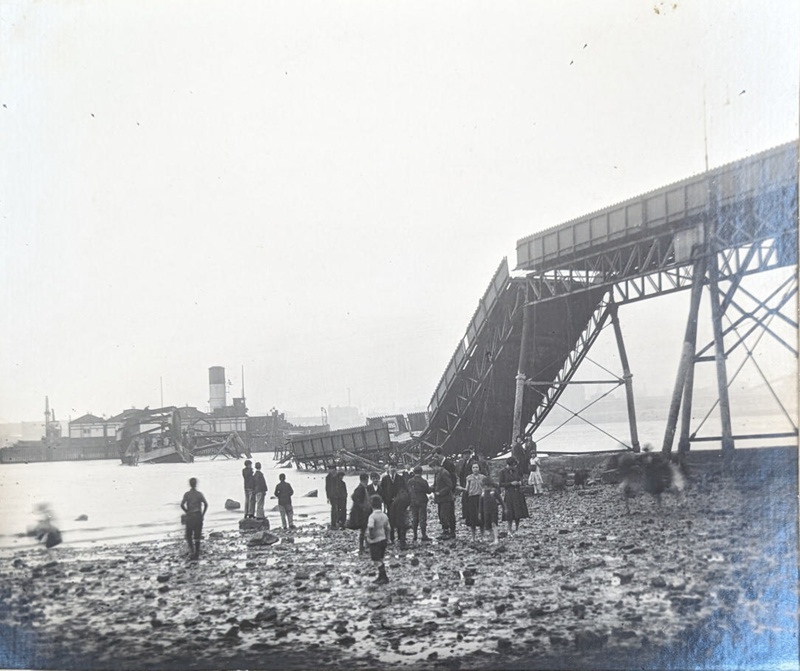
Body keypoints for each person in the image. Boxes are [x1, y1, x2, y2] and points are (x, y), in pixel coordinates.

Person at [499, 457, 529, 535]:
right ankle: (509, 529)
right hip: (509, 493)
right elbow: (500, 484)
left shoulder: (517, 470)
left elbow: (521, 480)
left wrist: (520, 483)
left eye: (514, 465)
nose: (514, 467)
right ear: (508, 465)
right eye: (512, 465)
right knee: (509, 512)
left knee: (518, 511)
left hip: (518, 493)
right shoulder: (503, 472)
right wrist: (510, 484)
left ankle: (517, 528)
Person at [181, 477, 208, 560]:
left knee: (189, 535)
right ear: (196, 484)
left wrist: (187, 512)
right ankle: (196, 552)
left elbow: (182, 505)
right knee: (197, 535)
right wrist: (202, 514)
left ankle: (192, 550)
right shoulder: (199, 494)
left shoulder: (187, 494)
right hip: (198, 515)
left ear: (189, 484)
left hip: (190, 516)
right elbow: (206, 504)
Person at [367, 494, 391, 584]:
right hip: (383, 539)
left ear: (371, 504)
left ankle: (383, 576)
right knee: (380, 558)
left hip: (375, 541)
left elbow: (370, 527)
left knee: (375, 559)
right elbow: (388, 528)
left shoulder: (372, 516)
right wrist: (388, 539)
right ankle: (381, 576)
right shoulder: (384, 516)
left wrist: (371, 535)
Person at [347, 473, 373, 553]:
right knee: (363, 529)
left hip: (364, 511)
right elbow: (354, 497)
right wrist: (362, 506)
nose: (366, 482)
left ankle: (364, 545)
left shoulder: (362, 488)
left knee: (364, 529)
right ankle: (363, 546)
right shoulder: (360, 489)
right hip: (362, 513)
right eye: (366, 480)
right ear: (364, 480)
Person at [430, 460, 456, 540]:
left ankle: (450, 532)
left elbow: (449, 485)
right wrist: (429, 488)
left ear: (437, 465)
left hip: (446, 498)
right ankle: (445, 531)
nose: (432, 469)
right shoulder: (437, 473)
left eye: (433, 467)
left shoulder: (444, 473)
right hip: (441, 499)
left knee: (446, 515)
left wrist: (440, 493)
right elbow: (436, 485)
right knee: (441, 515)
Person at [463, 462, 488, 541]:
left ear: (479, 468)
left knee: (482, 517)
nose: (475, 469)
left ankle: (482, 536)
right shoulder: (469, 478)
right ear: (471, 469)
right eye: (473, 468)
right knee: (473, 518)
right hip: (472, 498)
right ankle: (473, 537)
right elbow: (467, 489)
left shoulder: (483, 477)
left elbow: (486, 487)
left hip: (481, 498)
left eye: (476, 467)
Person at [406, 465, 432, 542]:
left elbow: (408, 491)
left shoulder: (409, 481)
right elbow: (428, 491)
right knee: (422, 518)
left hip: (413, 501)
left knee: (414, 518)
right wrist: (433, 488)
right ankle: (423, 535)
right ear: (421, 472)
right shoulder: (424, 481)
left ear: (413, 472)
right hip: (422, 501)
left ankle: (415, 535)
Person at [388, 473, 410, 548]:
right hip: (399, 510)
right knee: (402, 524)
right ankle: (402, 541)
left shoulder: (399, 496)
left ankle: (398, 540)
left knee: (397, 523)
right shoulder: (404, 494)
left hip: (395, 508)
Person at [479, 479, 504, 545]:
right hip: (486, 510)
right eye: (484, 486)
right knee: (488, 525)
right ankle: (492, 537)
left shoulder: (494, 491)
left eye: (486, 486)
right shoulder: (483, 493)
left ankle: (496, 539)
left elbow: (500, 500)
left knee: (494, 523)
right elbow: (480, 503)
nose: (485, 487)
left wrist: (504, 507)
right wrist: (479, 512)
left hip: (494, 510)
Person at [325, 464, 339, 530]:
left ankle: (336, 522)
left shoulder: (337, 476)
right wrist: (327, 497)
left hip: (338, 495)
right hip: (332, 495)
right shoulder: (328, 477)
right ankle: (333, 523)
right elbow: (327, 487)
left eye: (332, 469)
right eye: (330, 469)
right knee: (334, 509)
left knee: (337, 509)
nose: (331, 470)